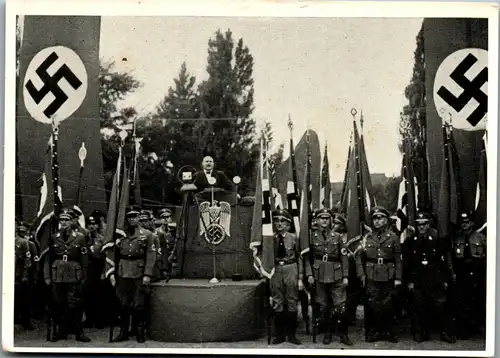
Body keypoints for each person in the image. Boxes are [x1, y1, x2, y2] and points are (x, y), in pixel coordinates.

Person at [403, 212, 455, 343]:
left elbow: (441, 261)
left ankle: (445, 333)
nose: (421, 227)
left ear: (429, 224)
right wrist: (409, 281)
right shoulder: (410, 241)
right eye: (419, 224)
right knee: (419, 306)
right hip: (418, 278)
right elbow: (408, 263)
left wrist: (444, 279)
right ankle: (421, 333)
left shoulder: (437, 240)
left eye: (424, 224)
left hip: (435, 278)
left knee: (441, 305)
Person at [109, 205, 156, 343]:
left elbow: (151, 255)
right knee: (123, 304)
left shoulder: (147, 235)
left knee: (138, 304)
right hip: (123, 271)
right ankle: (123, 332)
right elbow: (113, 254)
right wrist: (111, 272)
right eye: (129, 217)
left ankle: (139, 331)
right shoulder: (119, 234)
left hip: (139, 271)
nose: (132, 219)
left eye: (135, 216)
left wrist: (147, 274)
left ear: (138, 218)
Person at [43, 208, 91, 342]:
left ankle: (78, 332)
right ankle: (61, 331)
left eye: (66, 220)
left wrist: (84, 276)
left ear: (71, 222)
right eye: (62, 220)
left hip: (74, 273)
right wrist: (47, 276)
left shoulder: (80, 237)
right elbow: (48, 258)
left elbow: (84, 258)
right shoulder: (54, 237)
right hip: (58, 273)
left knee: (75, 303)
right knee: (59, 303)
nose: (64, 222)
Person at [307, 209, 352, 346]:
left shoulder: (337, 237)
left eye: (327, 218)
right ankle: (328, 333)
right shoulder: (311, 236)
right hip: (318, 274)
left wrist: (345, 276)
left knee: (340, 306)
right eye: (322, 218)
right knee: (324, 306)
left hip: (336, 273)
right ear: (317, 220)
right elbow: (307, 258)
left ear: (330, 220)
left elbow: (344, 257)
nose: (325, 220)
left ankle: (343, 334)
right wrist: (309, 274)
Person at [356, 206, 402, 343]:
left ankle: (388, 332)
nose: (377, 221)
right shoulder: (367, 237)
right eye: (375, 218)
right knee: (371, 304)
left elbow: (398, 259)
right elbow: (359, 258)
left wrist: (398, 278)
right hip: (371, 275)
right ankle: (372, 332)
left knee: (388, 304)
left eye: (380, 218)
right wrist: (361, 275)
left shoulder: (393, 237)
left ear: (386, 220)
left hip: (389, 274)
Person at [269, 209, 308, 345]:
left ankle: (292, 335)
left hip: (291, 268)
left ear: (288, 224)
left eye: (283, 221)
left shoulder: (294, 238)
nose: (279, 224)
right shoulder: (270, 238)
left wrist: (300, 277)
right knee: (278, 300)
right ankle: (280, 335)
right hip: (276, 270)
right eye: (276, 220)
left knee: (292, 301)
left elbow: (300, 258)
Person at [451, 211, 487, 339]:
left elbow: (486, 256)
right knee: (461, 299)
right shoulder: (457, 237)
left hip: (476, 269)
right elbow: (453, 256)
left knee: (475, 298)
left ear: (472, 223)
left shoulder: (480, 237)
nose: (464, 225)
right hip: (461, 270)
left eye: (467, 222)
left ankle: (475, 326)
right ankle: (463, 329)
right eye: (462, 222)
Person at [83, 213, 106, 329]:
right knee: (87, 294)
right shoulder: (82, 238)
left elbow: (105, 256)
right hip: (87, 268)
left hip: (98, 268)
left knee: (99, 295)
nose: (91, 226)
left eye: (94, 224)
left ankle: (99, 319)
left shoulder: (101, 239)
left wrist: (104, 272)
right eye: (89, 224)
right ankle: (89, 318)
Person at [14, 221, 36, 330]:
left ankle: (25, 321)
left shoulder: (23, 242)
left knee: (23, 299)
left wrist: (25, 275)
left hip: (19, 274)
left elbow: (28, 260)